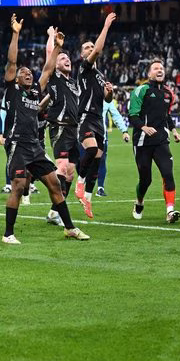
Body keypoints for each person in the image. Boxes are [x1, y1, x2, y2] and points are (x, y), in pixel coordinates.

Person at [2, 17, 89, 243]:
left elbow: (49, 68)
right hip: (18, 145)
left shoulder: (35, 92)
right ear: (16, 78)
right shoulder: (13, 91)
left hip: (35, 146)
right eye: (23, 73)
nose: (28, 74)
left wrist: (58, 46)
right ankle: (8, 234)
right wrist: (15, 34)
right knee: (19, 187)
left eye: (30, 72)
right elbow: (12, 61)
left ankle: (69, 228)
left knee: (55, 185)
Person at [73, 12, 118, 218]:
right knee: (91, 151)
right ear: (83, 55)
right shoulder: (84, 68)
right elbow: (100, 49)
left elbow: (107, 101)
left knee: (98, 160)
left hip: (98, 120)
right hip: (85, 117)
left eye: (92, 46)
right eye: (87, 48)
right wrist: (106, 26)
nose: (91, 49)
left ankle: (88, 200)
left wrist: (110, 92)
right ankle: (79, 183)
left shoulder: (100, 76)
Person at [128, 59, 180, 223]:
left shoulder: (168, 93)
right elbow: (133, 116)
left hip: (161, 141)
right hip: (142, 142)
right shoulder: (141, 90)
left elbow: (166, 115)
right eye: (156, 68)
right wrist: (143, 127)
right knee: (146, 180)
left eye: (162, 68)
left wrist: (174, 131)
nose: (160, 70)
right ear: (149, 73)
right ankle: (139, 202)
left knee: (168, 174)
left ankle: (170, 211)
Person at [39, 25, 80, 207]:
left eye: (68, 58)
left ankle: (56, 209)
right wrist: (51, 37)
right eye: (62, 58)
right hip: (59, 125)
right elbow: (50, 55)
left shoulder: (73, 82)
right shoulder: (54, 76)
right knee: (62, 166)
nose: (67, 60)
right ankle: (58, 211)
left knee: (70, 171)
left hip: (74, 128)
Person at [95, 95, 130, 196]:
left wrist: (124, 131)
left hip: (102, 136)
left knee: (101, 161)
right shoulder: (84, 93)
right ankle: (82, 182)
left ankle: (100, 188)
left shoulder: (106, 101)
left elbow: (116, 115)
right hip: (84, 135)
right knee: (83, 161)